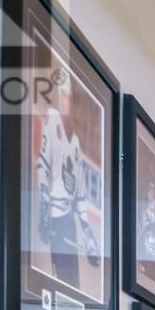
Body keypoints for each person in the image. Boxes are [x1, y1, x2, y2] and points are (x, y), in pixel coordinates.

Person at [35, 68, 101, 292]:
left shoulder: (75, 142)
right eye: (60, 95)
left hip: (69, 220)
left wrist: (88, 232)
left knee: (73, 283)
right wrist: (45, 200)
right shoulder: (52, 121)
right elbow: (43, 164)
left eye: (67, 96)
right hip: (55, 216)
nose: (64, 101)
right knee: (60, 281)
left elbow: (80, 192)